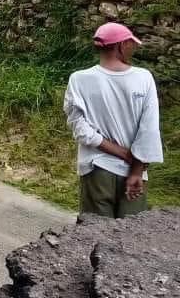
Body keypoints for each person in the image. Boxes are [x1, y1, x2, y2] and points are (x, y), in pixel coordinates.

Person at [64, 22, 162, 219]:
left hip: (97, 169)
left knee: (95, 234)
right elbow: (149, 129)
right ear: (121, 45)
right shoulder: (144, 78)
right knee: (128, 239)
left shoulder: (79, 79)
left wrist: (120, 153)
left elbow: (80, 129)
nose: (133, 48)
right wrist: (136, 171)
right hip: (134, 171)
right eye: (131, 44)